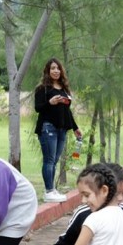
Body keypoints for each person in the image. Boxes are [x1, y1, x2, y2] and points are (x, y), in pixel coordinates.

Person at [34, 58, 82, 203]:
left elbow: (67, 111)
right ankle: (49, 191)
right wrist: (50, 102)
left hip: (62, 129)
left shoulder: (64, 89)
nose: (56, 71)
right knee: (49, 160)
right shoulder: (43, 88)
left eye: (58, 68)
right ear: (48, 71)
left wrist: (75, 128)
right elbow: (38, 108)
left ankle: (52, 190)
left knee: (54, 161)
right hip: (48, 127)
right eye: (52, 68)